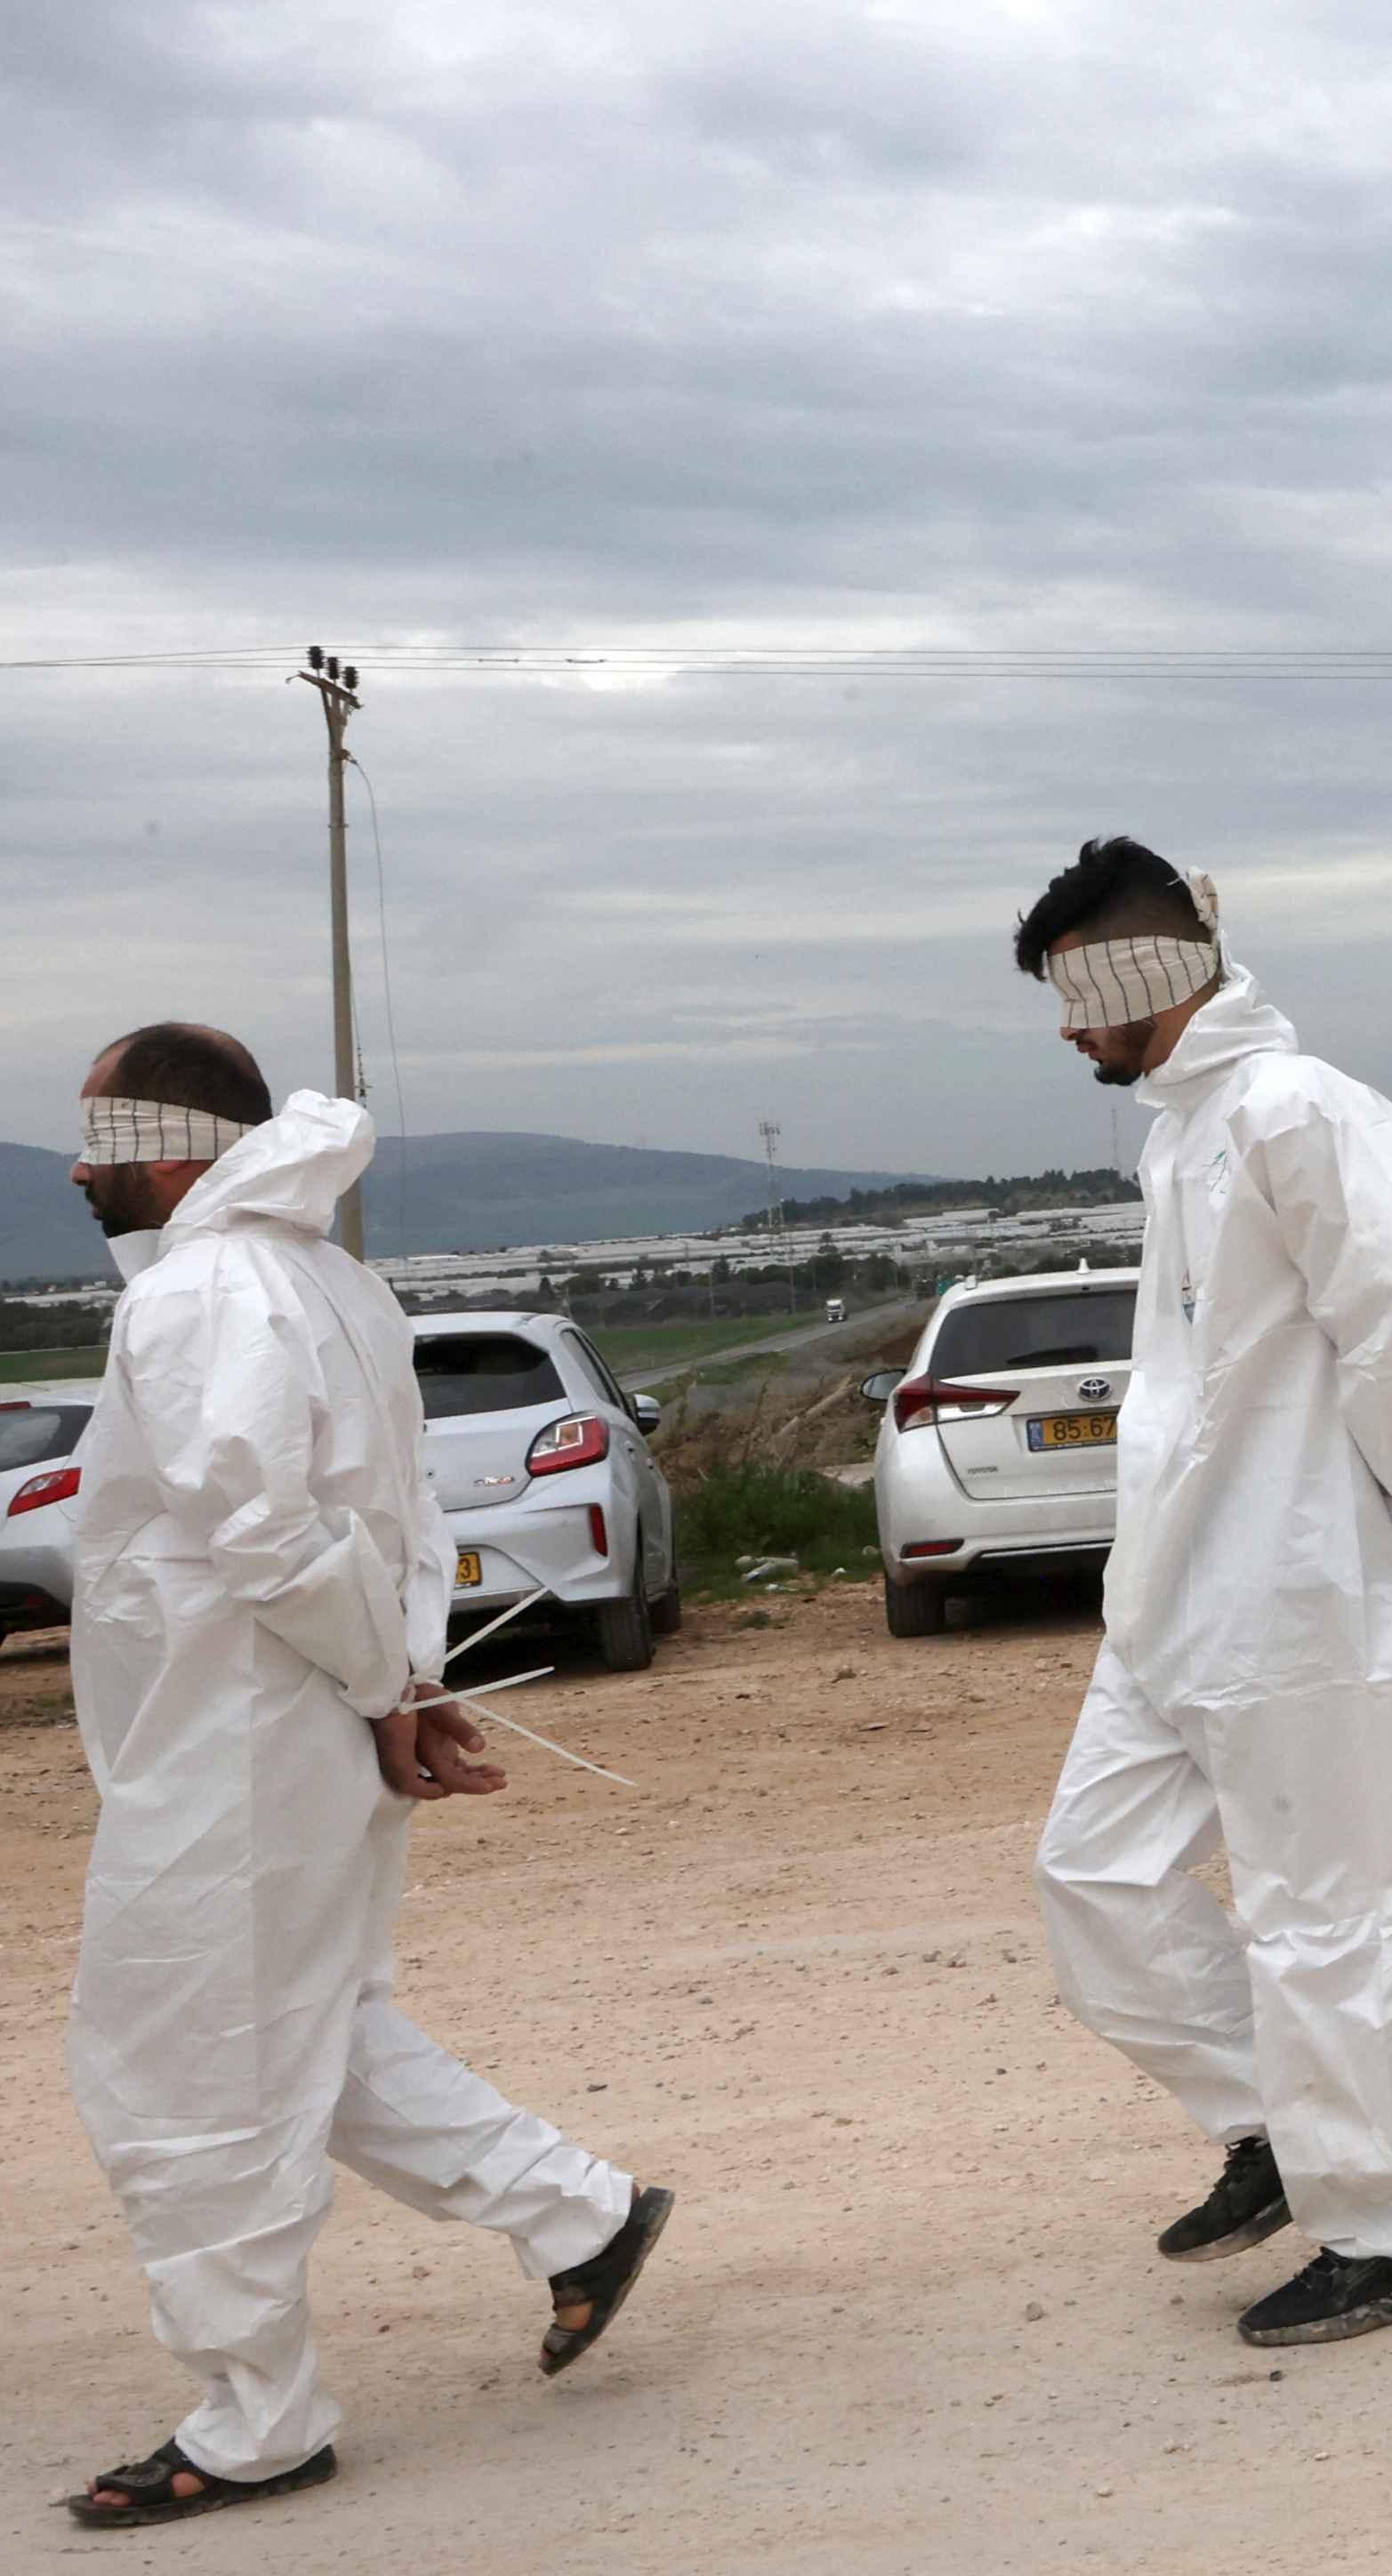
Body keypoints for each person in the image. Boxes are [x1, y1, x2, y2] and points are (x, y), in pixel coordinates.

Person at [60, 1026, 667, 2532]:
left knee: (184, 2073)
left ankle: (254, 2419)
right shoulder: (330, 1281)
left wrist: (382, 1687)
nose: (77, 1164)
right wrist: (397, 1684)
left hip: (237, 1748)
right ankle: (575, 2215)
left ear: (181, 1142)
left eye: (103, 1133)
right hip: (293, 1722)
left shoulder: (205, 1293)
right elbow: (396, 1519)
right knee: (310, 2027)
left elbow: (268, 1537)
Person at [1017, 836, 1392, 2343]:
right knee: (1091, 1877)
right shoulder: (1187, 1130)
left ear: (1142, 978)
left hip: (1288, 1582)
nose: (1065, 1031)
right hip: (1170, 1591)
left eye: (1075, 995)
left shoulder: (1294, 1107)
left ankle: (1389, 2226)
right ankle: (1279, 2129)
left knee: (1321, 1915)